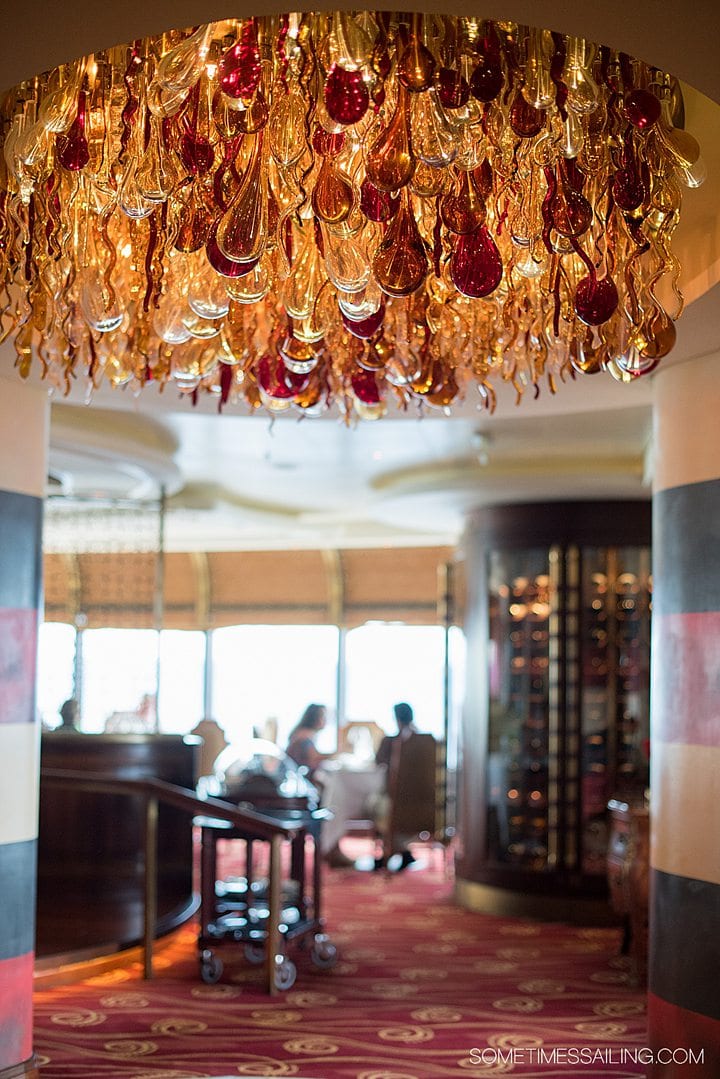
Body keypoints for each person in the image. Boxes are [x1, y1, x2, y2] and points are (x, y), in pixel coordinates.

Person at [286, 704, 354, 869]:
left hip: (300, 784)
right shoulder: (304, 737)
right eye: (323, 717)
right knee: (333, 798)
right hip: (302, 789)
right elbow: (312, 760)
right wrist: (338, 753)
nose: (325, 721)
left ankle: (331, 847)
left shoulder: (302, 734)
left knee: (333, 793)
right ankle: (330, 848)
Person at [373, 702, 420, 871]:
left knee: (378, 806)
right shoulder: (423, 741)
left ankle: (390, 851)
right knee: (384, 806)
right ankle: (402, 851)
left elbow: (379, 762)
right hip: (420, 799)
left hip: (405, 799)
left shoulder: (393, 741)